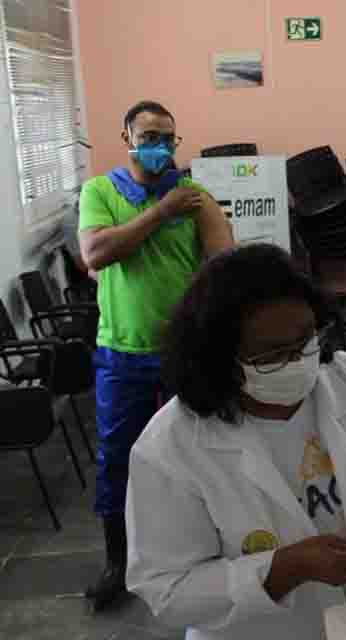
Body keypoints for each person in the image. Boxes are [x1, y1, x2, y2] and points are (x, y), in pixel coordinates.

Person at [126, 244, 346, 640]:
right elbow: (168, 590)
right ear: (220, 360)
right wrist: (285, 568)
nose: (298, 362)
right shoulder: (171, 447)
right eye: (271, 356)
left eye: (305, 341)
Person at [78, 100, 234, 611]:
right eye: (149, 134)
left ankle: (206, 551)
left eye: (168, 136)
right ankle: (118, 563)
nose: (160, 145)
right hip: (121, 355)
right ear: (126, 134)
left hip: (184, 352)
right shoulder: (100, 192)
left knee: (200, 453)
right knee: (118, 459)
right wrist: (160, 214)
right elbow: (97, 253)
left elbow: (224, 262)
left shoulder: (193, 196)